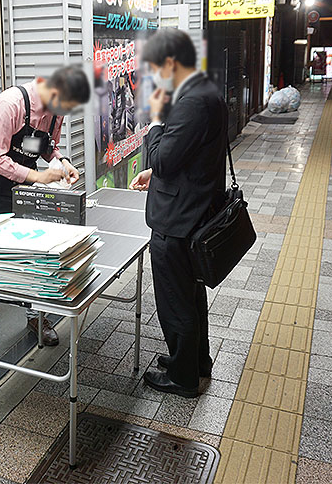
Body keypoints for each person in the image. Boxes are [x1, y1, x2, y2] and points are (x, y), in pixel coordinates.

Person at [129, 30, 226, 398]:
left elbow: (164, 158)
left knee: (175, 299)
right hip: (194, 210)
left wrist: (154, 121)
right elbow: (193, 156)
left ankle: (184, 378)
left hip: (178, 220)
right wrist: (155, 172)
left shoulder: (190, 102)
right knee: (190, 294)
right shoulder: (206, 90)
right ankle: (195, 361)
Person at [0, 67, 90, 343]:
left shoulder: (55, 110)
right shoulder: (10, 104)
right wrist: (38, 176)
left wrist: (63, 162)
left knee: (32, 248)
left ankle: (36, 315)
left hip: (24, 184)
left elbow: (47, 146)